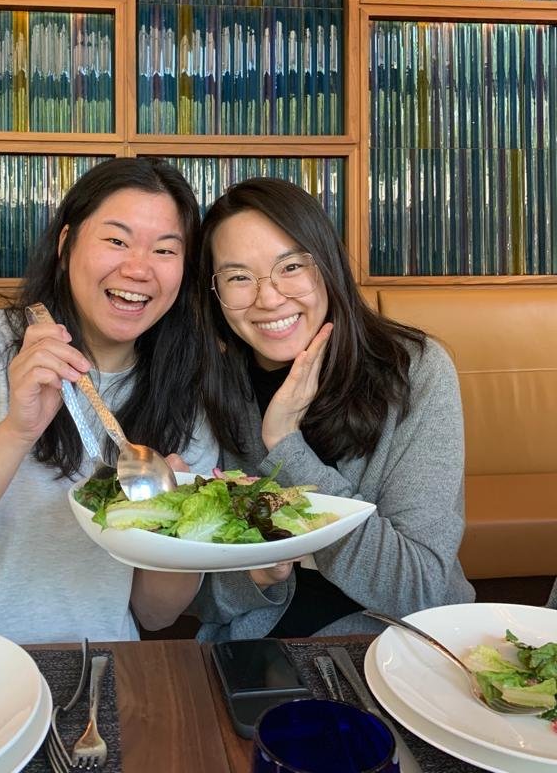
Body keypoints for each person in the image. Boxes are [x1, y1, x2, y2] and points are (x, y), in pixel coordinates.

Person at [0, 157, 227, 643]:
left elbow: (155, 613)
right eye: (116, 240)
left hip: (89, 673)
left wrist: (175, 519)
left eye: (165, 250)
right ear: (66, 245)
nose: (138, 269)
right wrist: (16, 432)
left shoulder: (185, 393)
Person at [190, 177, 474, 640]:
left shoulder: (413, 372)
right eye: (239, 277)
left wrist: (285, 447)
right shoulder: (208, 387)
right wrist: (256, 578)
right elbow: (195, 594)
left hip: (399, 644)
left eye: (291, 266)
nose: (268, 297)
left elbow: (418, 587)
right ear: (215, 292)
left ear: (328, 265)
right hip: (256, 648)